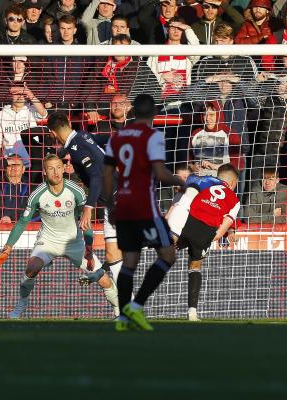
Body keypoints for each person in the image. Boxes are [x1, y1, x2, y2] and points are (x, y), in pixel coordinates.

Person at [0, 154, 119, 318]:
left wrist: (89, 249)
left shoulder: (75, 190)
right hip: (48, 241)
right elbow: (22, 222)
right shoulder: (37, 194)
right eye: (50, 168)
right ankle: (20, 305)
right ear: (44, 172)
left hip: (74, 242)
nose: (55, 172)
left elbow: (86, 222)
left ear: (64, 169)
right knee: (31, 268)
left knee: (104, 280)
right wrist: (7, 249)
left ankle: (118, 311)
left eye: (58, 167)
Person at [103, 93, 186, 331]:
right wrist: (179, 182)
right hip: (145, 207)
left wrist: (110, 206)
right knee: (168, 255)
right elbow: (159, 173)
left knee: (129, 262)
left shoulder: (116, 138)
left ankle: (122, 318)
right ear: (151, 114)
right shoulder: (153, 136)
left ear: (132, 112)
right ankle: (136, 306)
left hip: (124, 205)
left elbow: (107, 174)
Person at [46, 111, 122, 293]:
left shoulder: (76, 148)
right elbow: (106, 141)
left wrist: (88, 208)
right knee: (113, 254)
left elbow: (96, 175)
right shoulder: (82, 135)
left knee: (121, 251)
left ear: (53, 133)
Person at [169, 164, 240, 321]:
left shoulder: (202, 180)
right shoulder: (235, 200)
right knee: (195, 265)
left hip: (185, 217)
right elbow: (221, 230)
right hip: (205, 229)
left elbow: (181, 199)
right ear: (233, 183)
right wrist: (205, 241)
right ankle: (192, 313)